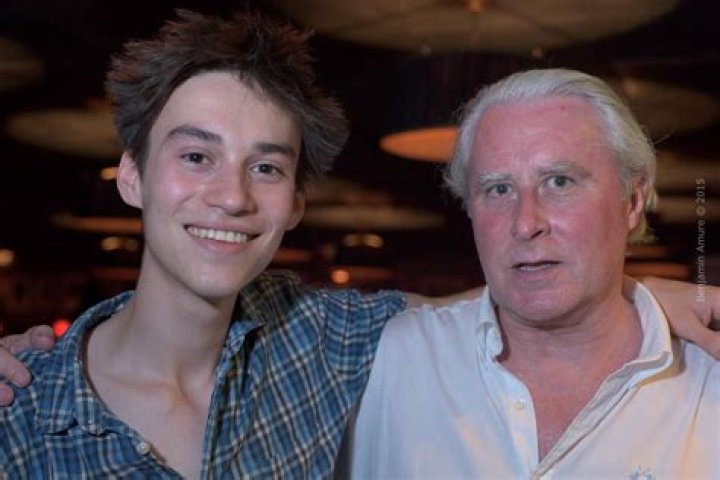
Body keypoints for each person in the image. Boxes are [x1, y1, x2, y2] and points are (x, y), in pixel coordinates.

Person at [0, 11, 717, 478]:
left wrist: (633, 292)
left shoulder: (326, 344)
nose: (231, 196)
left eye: (266, 167)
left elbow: (499, 298)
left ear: (295, 203)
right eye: (195, 156)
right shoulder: (20, 409)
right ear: (130, 175)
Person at [347, 69, 719, 479]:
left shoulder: (709, 385)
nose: (526, 224)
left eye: (559, 182)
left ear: (631, 201)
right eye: (499, 189)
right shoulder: (381, 363)